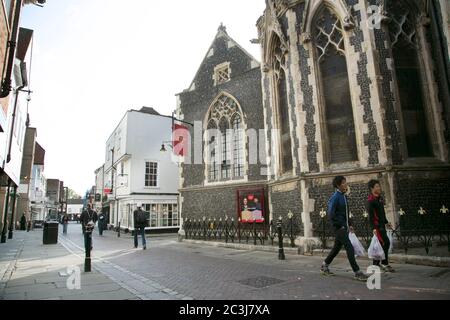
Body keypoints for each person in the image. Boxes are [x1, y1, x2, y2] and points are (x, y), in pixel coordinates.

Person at [320, 176, 368, 281]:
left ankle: (325, 265)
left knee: (336, 248)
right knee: (349, 247)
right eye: (343, 183)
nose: (346, 184)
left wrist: (349, 224)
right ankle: (357, 272)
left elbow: (345, 213)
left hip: (344, 226)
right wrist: (340, 225)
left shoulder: (344, 196)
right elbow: (331, 214)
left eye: (345, 182)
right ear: (338, 185)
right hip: (339, 228)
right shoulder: (335, 197)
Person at [366, 179, 395, 273]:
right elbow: (371, 216)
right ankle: (384, 263)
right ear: (372, 188)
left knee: (381, 244)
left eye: (379, 186)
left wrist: (386, 222)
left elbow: (382, 213)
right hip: (377, 226)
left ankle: (376, 264)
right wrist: (373, 228)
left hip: (382, 225)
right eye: (377, 186)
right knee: (385, 242)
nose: (379, 188)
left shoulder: (379, 199)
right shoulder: (370, 201)